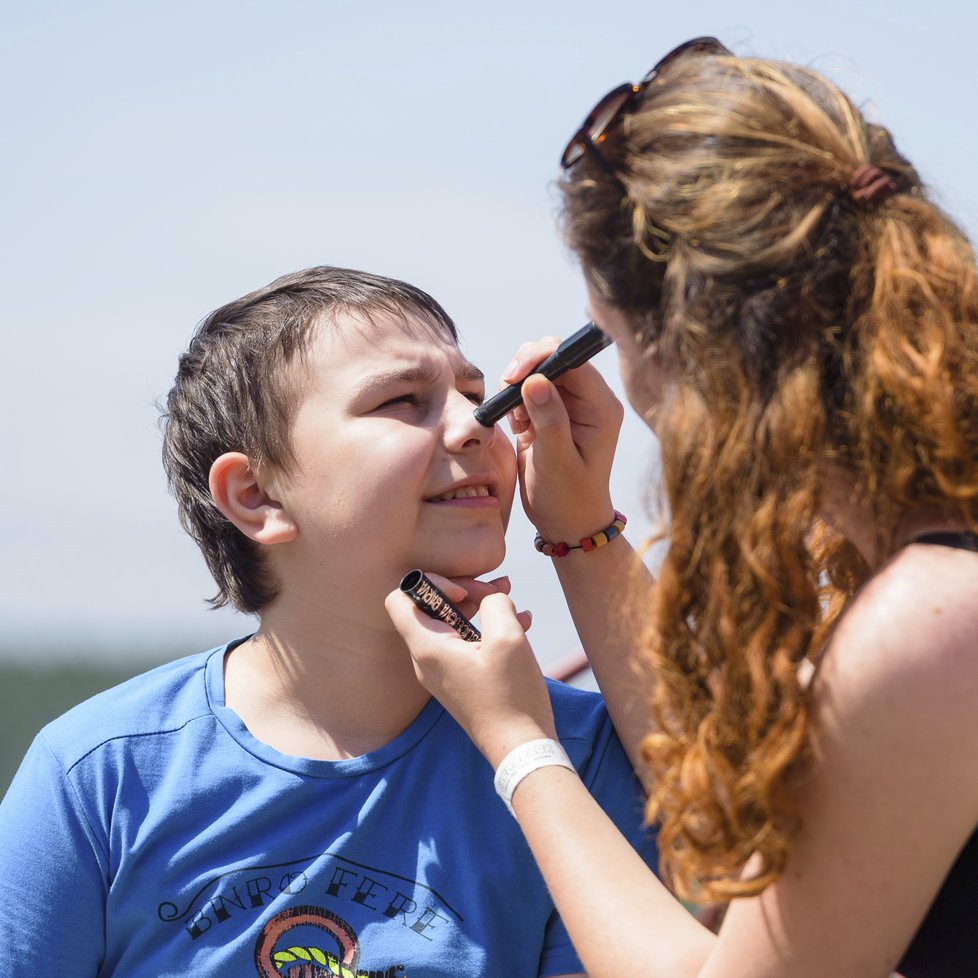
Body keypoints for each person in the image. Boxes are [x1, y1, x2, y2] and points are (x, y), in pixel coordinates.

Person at [386, 38, 978, 978]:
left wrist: (519, 741)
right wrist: (583, 539)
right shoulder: (924, 547)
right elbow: (783, 843)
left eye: (613, 339)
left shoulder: (932, 619)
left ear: (687, 344)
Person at [0, 266, 656, 977]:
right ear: (256, 496)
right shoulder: (102, 775)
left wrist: (581, 522)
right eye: (404, 401)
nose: (475, 424)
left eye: (474, 393)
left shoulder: (571, 760)